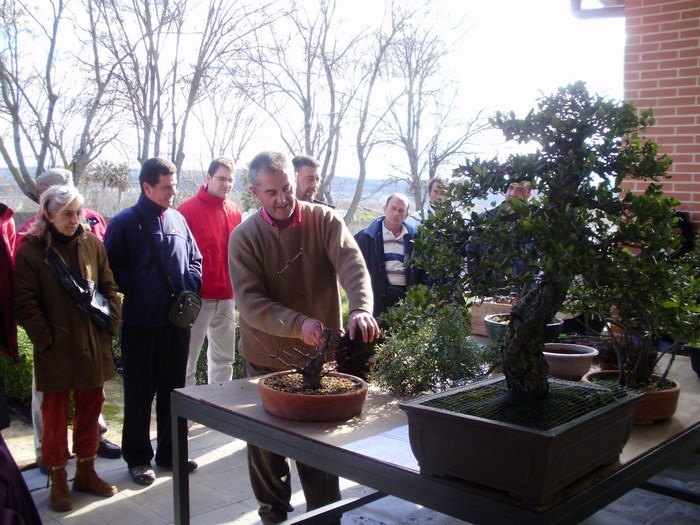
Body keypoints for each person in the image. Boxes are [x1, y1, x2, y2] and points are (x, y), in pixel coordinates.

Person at [228, 151, 379, 525]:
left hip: (320, 354)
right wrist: (298, 324)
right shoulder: (244, 238)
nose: (282, 199)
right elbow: (250, 304)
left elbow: (352, 264)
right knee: (265, 446)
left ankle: (326, 517)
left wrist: (360, 307)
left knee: (317, 447)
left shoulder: (324, 220)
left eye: (287, 189)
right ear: (253, 192)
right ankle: (273, 514)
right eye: (271, 192)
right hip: (265, 355)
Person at [14, 185, 121, 512]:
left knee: (91, 410)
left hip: (91, 343)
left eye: (78, 213)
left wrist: (111, 325)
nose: (75, 220)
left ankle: (86, 473)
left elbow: (108, 286)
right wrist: (47, 340)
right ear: (48, 213)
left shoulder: (92, 243)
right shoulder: (31, 251)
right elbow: (25, 303)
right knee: (55, 417)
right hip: (56, 349)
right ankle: (59, 480)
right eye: (67, 214)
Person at [105, 157, 202, 486]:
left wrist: (190, 284)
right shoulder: (123, 223)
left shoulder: (178, 219)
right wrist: (138, 287)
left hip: (176, 324)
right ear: (146, 187)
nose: (173, 192)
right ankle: (137, 458)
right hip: (141, 324)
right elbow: (110, 271)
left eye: (174, 185)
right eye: (166, 187)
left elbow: (195, 259)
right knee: (139, 393)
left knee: (173, 392)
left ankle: (170, 453)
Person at [178, 158, 241, 387]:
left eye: (230, 179)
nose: (226, 184)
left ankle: (219, 410)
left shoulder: (234, 210)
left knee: (224, 360)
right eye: (221, 178)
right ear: (208, 178)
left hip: (227, 298)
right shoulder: (186, 211)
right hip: (198, 298)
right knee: (187, 361)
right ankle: (185, 415)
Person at [354, 193, 426, 319]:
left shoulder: (416, 239)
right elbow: (353, 270)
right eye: (393, 208)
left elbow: (424, 272)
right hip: (376, 302)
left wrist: (421, 298)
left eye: (401, 210)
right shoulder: (366, 237)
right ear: (384, 209)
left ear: (406, 215)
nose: (396, 213)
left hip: (407, 303)